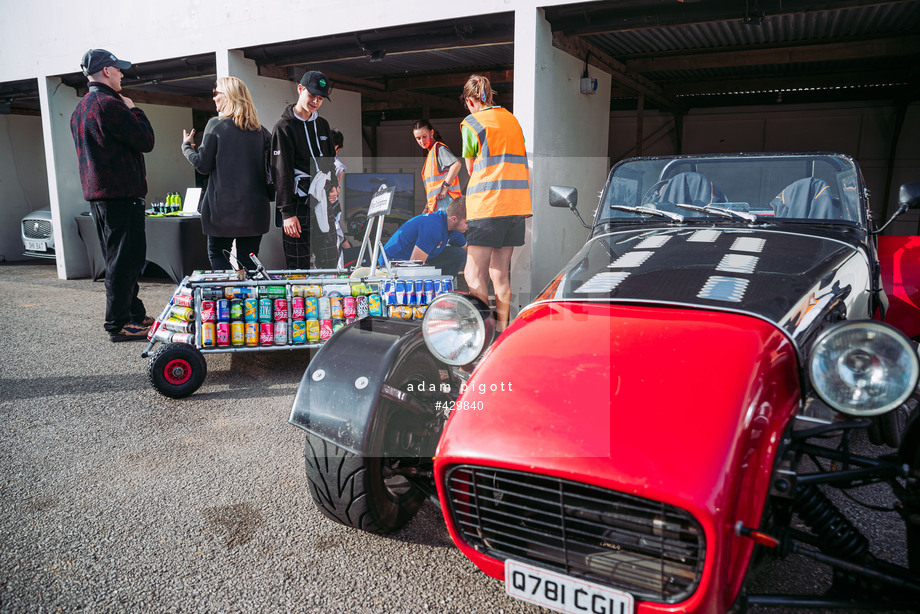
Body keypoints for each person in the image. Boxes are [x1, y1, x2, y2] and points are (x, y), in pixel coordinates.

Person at [70, 49, 155, 342]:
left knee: (119, 256)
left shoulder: (81, 108)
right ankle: (118, 323)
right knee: (126, 260)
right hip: (121, 194)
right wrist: (134, 109)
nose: (122, 74)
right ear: (106, 71)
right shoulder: (111, 105)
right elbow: (146, 140)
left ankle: (134, 313)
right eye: (118, 69)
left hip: (101, 195)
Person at [460, 74, 532, 331]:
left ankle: (484, 334)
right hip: (515, 207)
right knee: (500, 275)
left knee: (472, 275)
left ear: (470, 100)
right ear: (491, 96)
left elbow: (471, 169)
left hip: (488, 206)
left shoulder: (471, 123)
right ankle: (502, 332)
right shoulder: (513, 121)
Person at [181, 77, 271, 271]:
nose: (213, 98)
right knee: (249, 262)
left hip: (223, 212)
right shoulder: (262, 132)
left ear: (228, 96)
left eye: (216, 93)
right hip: (256, 211)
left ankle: (232, 298)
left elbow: (202, 165)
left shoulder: (216, 126)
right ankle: (249, 300)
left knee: (218, 255)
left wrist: (187, 147)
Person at [271, 70, 339, 269]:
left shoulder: (323, 125)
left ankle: (329, 298)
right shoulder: (283, 127)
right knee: (299, 264)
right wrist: (287, 213)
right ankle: (300, 300)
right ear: (300, 89)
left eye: (320, 98)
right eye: (312, 95)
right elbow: (280, 173)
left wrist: (333, 186)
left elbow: (330, 161)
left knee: (329, 261)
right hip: (298, 203)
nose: (316, 101)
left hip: (324, 200)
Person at [381, 196, 468, 278]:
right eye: (467, 222)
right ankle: (436, 290)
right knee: (457, 255)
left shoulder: (452, 226)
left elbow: (469, 253)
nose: (470, 225)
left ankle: (443, 286)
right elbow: (415, 266)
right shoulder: (434, 227)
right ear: (454, 219)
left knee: (458, 254)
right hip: (392, 264)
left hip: (413, 260)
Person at [413, 119, 462, 213]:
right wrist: (427, 207)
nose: (421, 141)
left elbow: (456, 164)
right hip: (439, 203)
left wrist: (445, 188)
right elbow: (433, 187)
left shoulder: (439, 149)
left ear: (431, 133)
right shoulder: (431, 153)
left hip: (446, 200)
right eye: (418, 138)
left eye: (424, 136)